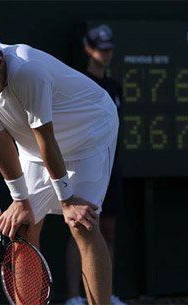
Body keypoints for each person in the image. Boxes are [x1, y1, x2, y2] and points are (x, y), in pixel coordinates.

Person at [0, 31, 118, 305]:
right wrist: (19, 200)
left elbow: (46, 137)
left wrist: (66, 200)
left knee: (83, 224)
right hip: (34, 146)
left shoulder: (29, 70)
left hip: (90, 133)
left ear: (1, 62)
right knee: (23, 227)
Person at [65, 25, 126, 305]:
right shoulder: (80, 83)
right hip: (86, 168)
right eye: (101, 48)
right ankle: (75, 298)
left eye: (110, 48)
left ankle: (104, 294)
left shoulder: (115, 87)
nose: (107, 53)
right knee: (83, 229)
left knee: (108, 231)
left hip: (111, 168)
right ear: (88, 49)